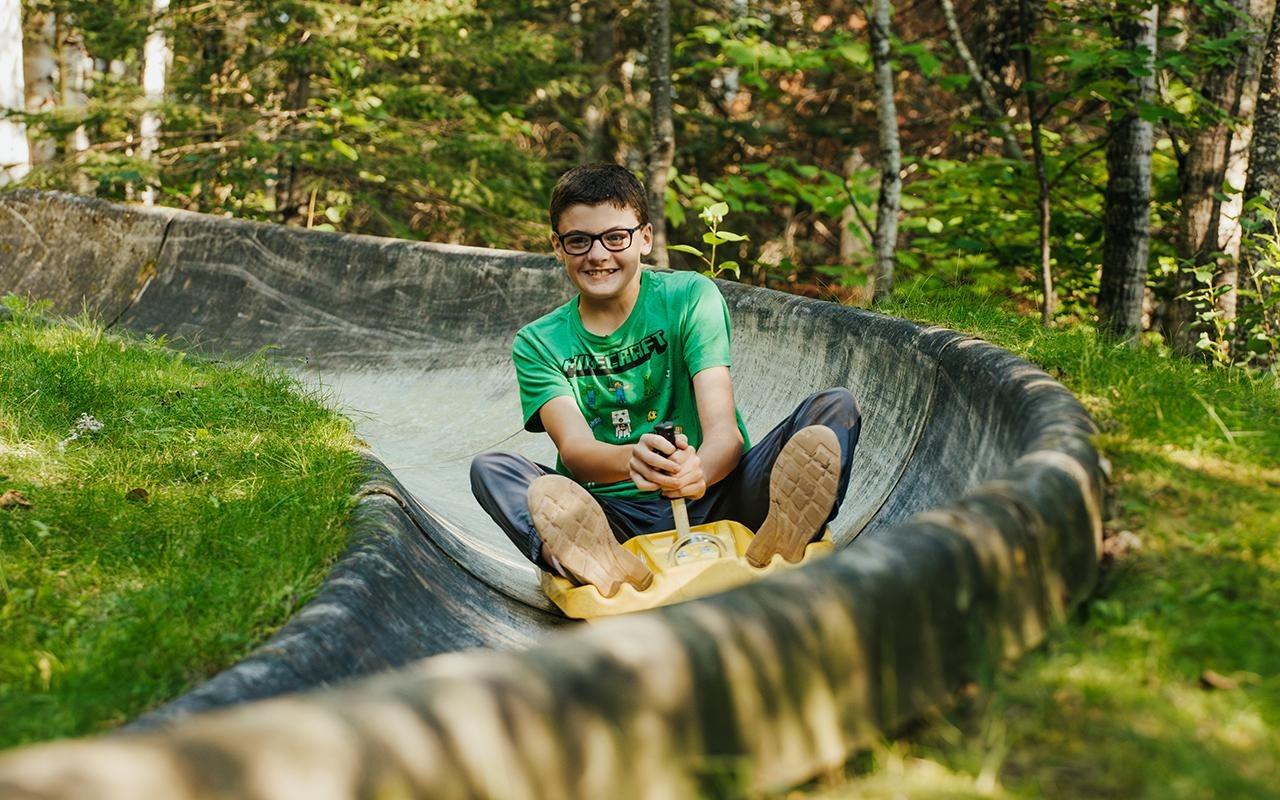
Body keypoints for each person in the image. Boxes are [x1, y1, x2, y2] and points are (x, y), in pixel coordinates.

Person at [471, 163, 861, 597]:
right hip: (612, 514)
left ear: (645, 237)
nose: (597, 255)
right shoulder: (539, 342)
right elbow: (577, 450)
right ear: (557, 247)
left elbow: (724, 433)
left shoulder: (690, 297)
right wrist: (632, 460)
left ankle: (778, 538)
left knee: (833, 409)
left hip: (719, 495)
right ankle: (601, 563)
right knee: (492, 469)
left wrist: (698, 471)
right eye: (579, 241)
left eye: (615, 237)